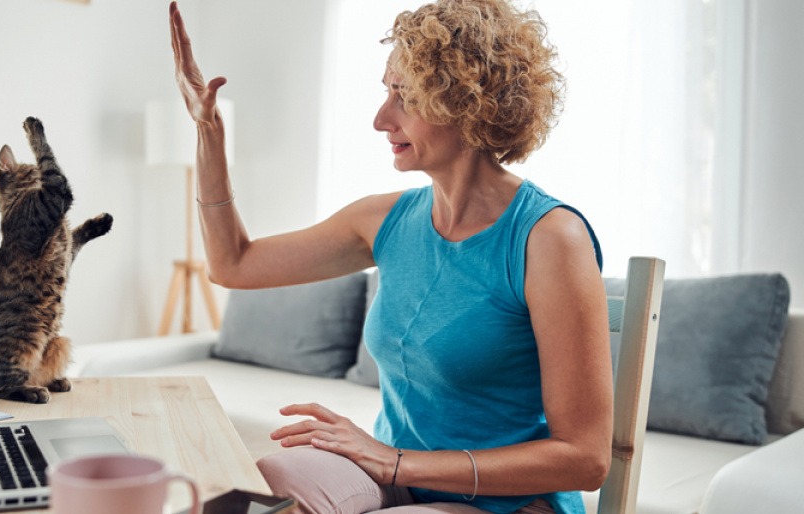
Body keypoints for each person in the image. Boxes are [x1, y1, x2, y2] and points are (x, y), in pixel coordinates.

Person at [168, 0, 612, 513]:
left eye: (405, 96)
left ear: (467, 104)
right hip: (400, 478)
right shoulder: (385, 222)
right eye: (387, 90)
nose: (382, 118)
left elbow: (585, 458)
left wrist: (395, 462)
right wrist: (208, 133)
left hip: (510, 502)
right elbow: (233, 265)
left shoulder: (550, 239)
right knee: (273, 482)